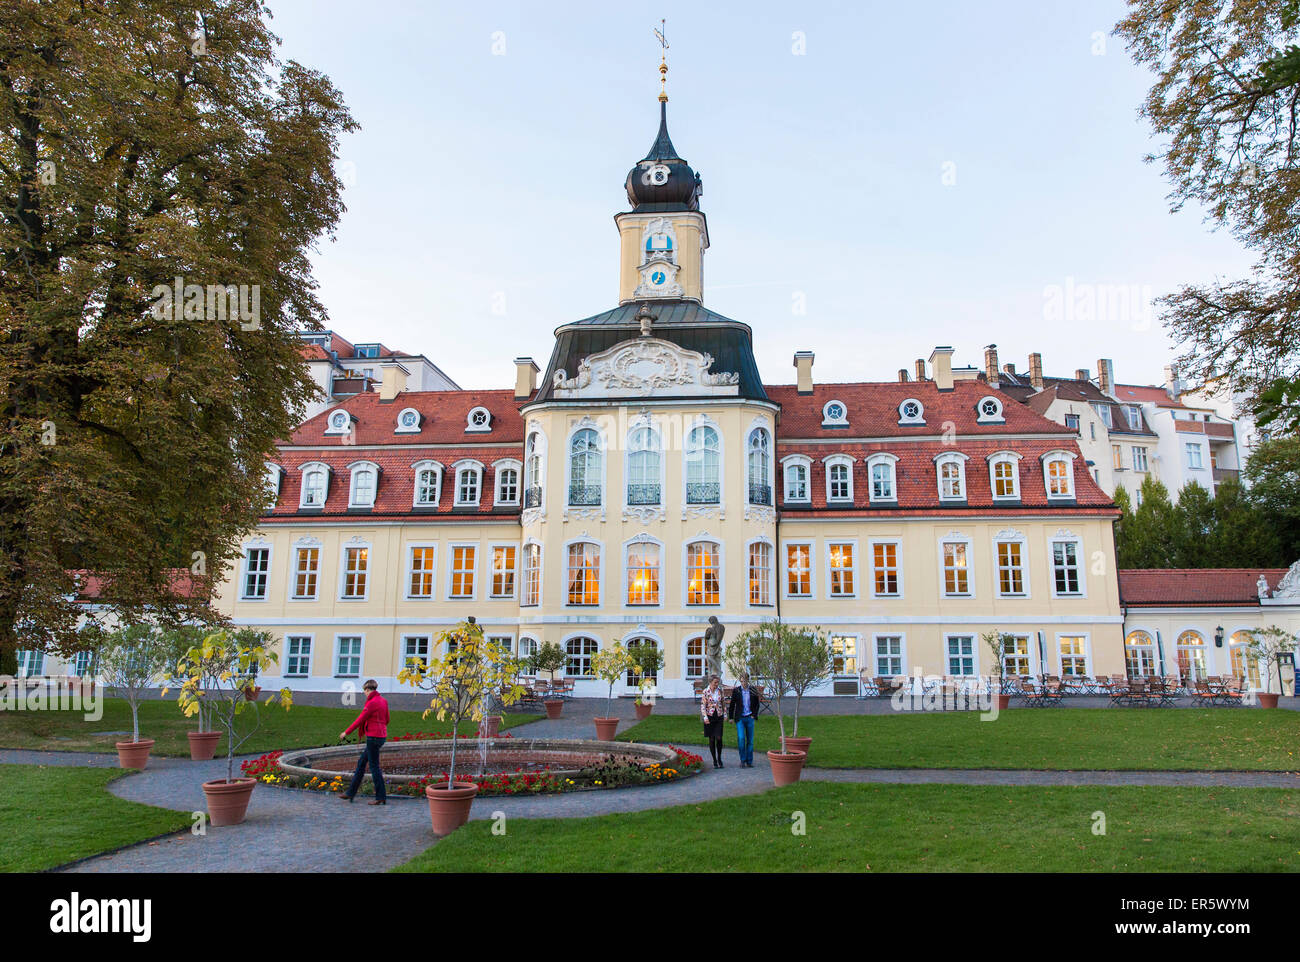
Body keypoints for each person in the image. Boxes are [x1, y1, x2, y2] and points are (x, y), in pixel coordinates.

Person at [339, 679, 389, 805]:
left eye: (364, 691)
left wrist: (346, 732)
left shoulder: (371, 703)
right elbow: (387, 719)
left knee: (374, 767)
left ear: (368, 690)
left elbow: (360, 720)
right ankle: (350, 792)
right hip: (381, 736)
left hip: (373, 737)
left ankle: (380, 796)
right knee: (361, 763)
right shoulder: (383, 701)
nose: (364, 694)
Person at [727, 672, 762, 768]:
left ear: (748, 681)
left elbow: (757, 705)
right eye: (742, 681)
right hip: (740, 718)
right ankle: (742, 760)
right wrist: (731, 717)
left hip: (749, 717)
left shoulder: (753, 690)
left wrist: (753, 715)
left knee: (750, 740)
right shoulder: (737, 691)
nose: (743, 683)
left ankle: (749, 761)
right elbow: (732, 705)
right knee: (741, 738)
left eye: (745, 681)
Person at [700, 674, 726, 768]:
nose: (716, 684)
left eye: (717, 682)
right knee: (711, 739)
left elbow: (723, 702)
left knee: (719, 737)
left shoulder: (720, 691)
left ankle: (719, 758)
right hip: (710, 717)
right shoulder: (705, 692)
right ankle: (714, 760)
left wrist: (725, 714)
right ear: (710, 682)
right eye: (715, 682)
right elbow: (703, 705)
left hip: (718, 716)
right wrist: (705, 717)